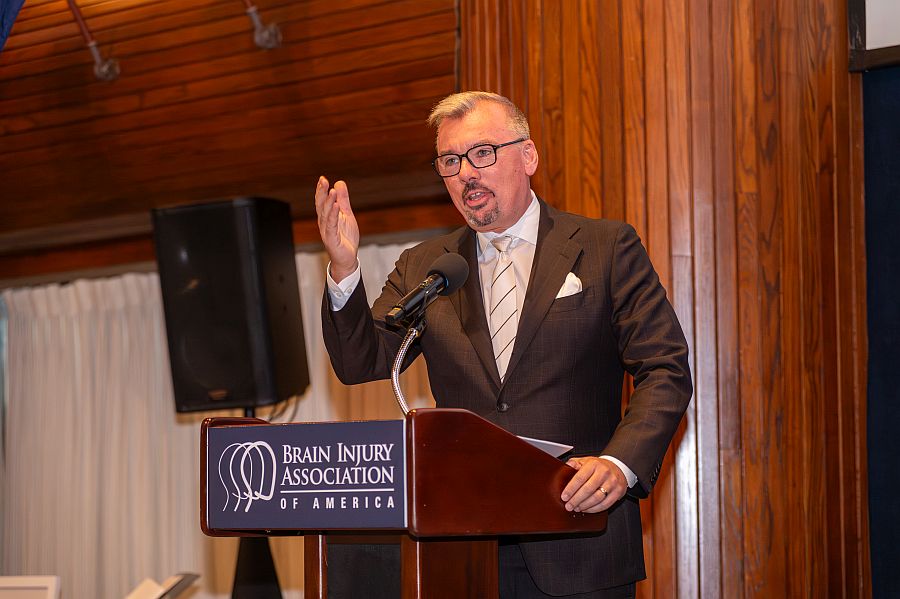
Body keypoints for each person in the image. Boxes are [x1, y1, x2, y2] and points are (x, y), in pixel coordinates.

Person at [314, 91, 692, 598]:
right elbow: (362, 360)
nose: (466, 172)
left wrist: (618, 465)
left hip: (580, 538)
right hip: (464, 550)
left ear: (528, 156)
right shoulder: (428, 266)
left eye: (482, 153)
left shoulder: (605, 247)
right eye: (450, 161)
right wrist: (343, 267)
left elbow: (665, 369)